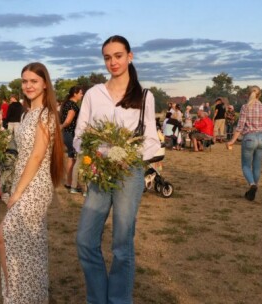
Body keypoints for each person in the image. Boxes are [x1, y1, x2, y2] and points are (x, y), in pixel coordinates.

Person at [74, 35, 160, 304]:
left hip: (129, 173)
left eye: (118, 56)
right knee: (85, 240)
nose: (113, 62)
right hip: (99, 173)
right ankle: (97, 299)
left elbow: (151, 140)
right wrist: (97, 153)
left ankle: (119, 300)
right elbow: (79, 136)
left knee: (122, 244)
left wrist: (128, 155)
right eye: (108, 57)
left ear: (130, 56)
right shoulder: (93, 94)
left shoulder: (145, 97)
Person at [0, 62, 63, 303]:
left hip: (34, 186)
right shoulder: (27, 114)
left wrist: (17, 193)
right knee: (27, 245)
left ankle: (18, 296)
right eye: (25, 81)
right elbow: (21, 153)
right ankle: (24, 295)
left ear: (45, 83)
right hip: (24, 183)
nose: (28, 86)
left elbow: (36, 155)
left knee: (4, 238)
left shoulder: (46, 114)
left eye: (34, 81)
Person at [227, 86, 262, 201]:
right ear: (260, 95)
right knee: (257, 165)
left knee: (246, 165)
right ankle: (253, 189)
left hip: (249, 139)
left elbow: (240, 127)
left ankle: (252, 185)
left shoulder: (245, 107)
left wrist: (232, 141)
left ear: (248, 94)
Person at [60, 85, 83, 194]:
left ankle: (68, 182)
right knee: (74, 159)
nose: (82, 95)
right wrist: (61, 126)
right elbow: (69, 120)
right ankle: (73, 183)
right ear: (75, 93)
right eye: (80, 93)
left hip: (66, 134)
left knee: (70, 157)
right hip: (71, 134)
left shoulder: (66, 103)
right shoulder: (73, 105)